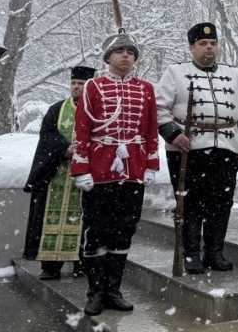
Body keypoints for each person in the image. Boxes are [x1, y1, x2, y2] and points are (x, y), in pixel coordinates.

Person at [71, 33, 160, 316]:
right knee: (96, 231)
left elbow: (150, 129)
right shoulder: (93, 87)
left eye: (130, 52)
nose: (125, 56)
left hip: (133, 169)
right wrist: (81, 168)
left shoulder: (146, 88)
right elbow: (82, 130)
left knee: (124, 231)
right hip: (99, 170)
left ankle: (113, 290)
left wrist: (150, 165)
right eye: (119, 51)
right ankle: (95, 292)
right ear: (108, 57)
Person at [157, 23, 238, 273]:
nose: (209, 47)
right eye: (202, 43)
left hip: (226, 148)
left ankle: (214, 252)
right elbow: (159, 108)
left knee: (221, 203)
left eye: (213, 43)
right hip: (188, 150)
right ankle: (191, 254)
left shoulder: (232, 73)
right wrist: (173, 134)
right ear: (192, 48)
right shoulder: (175, 72)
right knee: (190, 203)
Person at [24, 65, 95, 280]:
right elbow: (47, 135)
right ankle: (51, 265)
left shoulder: (97, 109)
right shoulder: (56, 109)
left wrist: (83, 149)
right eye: (74, 83)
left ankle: (81, 263)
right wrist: (65, 149)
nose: (77, 87)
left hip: (86, 175)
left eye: (81, 84)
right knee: (50, 217)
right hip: (56, 173)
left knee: (85, 219)